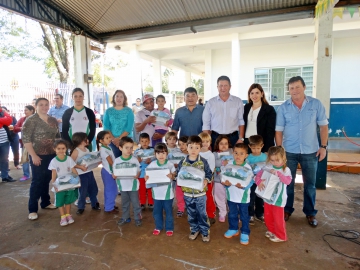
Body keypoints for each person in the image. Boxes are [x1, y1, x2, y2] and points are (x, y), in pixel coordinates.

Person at [275, 76, 329, 227]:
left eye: (297, 87)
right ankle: (287, 209)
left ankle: (310, 213)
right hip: (289, 152)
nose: (294, 90)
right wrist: (279, 150)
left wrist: (323, 147)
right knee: (288, 183)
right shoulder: (283, 107)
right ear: (289, 90)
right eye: (291, 88)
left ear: (304, 87)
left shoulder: (316, 104)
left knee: (310, 184)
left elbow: (323, 126)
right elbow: (278, 131)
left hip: (310, 151)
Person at [23, 98, 60, 220]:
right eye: (41, 105)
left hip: (52, 154)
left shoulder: (53, 120)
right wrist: (33, 155)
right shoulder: (31, 120)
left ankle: (46, 202)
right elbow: (26, 140)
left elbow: (57, 137)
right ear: (36, 106)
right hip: (37, 155)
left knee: (47, 178)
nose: (44, 107)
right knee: (37, 181)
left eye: (46, 105)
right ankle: (32, 209)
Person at [176, 136, 212, 242]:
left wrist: (206, 179)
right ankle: (194, 229)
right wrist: (173, 175)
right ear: (187, 147)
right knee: (191, 213)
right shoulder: (182, 162)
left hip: (200, 194)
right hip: (187, 194)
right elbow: (178, 174)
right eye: (191, 147)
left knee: (202, 213)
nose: (193, 150)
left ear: (200, 148)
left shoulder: (203, 162)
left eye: (197, 147)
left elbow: (209, 173)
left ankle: (205, 231)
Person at [255, 146, 292, 242]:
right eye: (272, 160)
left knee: (278, 218)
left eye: (277, 160)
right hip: (267, 197)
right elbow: (258, 176)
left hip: (278, 199)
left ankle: (281, 236)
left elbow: (288, 182)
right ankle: (271, 230)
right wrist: (259, 182)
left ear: (283, 158)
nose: (274, 162)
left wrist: (279, 174)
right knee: (268, 215)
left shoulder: (286, 170)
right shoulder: (267, 167)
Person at [222, 143, 253, 245]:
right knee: (232, 214)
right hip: (231, 196)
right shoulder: (229, 164)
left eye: (241, 153)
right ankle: (233, 228)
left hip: (243, 198)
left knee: (244, 216)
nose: (238, 156)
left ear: (246, 155)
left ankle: (244, 232)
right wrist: (226, 184)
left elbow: (251, 182)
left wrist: (244, 186)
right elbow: (224, 178)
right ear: (232, 153)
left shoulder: (248, 167)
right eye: (236, 153)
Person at [202, 76, 245, 149]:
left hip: (233, 138)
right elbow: (206, 124)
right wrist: (207, 142)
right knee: (215, 159)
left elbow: (241, 121)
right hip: (215, 138)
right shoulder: (211, 103)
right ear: (217, 87)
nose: (223, 88)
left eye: (225, 85)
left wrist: (241, 138)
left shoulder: (237, 101)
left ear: (230, 87)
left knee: (234, 159)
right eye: (221, 85)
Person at [145, 143, 176, 236]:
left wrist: (172, 175)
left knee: (168, 212)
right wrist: (146, 178)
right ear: (155, 154)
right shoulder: (152, 164)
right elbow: (147, 175)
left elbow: (174, 174)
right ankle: (158, 227)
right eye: (158, 153)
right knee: (157, 212)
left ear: (167, 153)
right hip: (156, 194)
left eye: (163, 153)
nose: (161, 155)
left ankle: (169, 228)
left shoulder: (170, 164)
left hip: (167, 194)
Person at [48, 140, 78, 226]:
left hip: (69, 184)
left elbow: (73, 170)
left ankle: (68, 215)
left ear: (66, 149)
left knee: (68, 201)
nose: (61, 150)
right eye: (58, 148)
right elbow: (53, 173)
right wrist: (54, 184)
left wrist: (78, 180)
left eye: (63, 148)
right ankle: (63, 217)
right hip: (59, 186)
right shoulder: (54, 161)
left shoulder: (69, 159)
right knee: (60, 201)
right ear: (54, 149)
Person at [71, 132, 101, 215]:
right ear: (80, 141)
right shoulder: (76, 151)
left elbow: (89, 160)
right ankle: (81, 207)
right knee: (83, 191)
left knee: (93, 188)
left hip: (89, 173)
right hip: (81, 174)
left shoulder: (87, 149)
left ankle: (94, 204)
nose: (88, 140)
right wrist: (80, 167)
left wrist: (96, 162)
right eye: (86, 139)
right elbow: (70, 163)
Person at [115, 137, 142, 227]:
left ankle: (137, 218)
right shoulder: (117, 161)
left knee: (135, 203)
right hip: (123, 187)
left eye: (131, 147)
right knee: (124, 204)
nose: (129, 150)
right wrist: (114, 175)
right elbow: (114, 172)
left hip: (133, 186)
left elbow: (138, 170)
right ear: (120, 148)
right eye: (126, 147)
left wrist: (137, 174)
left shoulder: (134, 160)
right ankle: (125, 217)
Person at [243, 83, 276, 153]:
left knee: (260, 163)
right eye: (252, 93)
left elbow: (270, 131)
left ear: (262, 94)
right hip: (246, 142)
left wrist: (268, 149)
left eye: (257, 93)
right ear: (249, 95)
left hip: (260, 144)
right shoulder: (246, 107)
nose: (254, 95)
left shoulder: (269, 109)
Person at [103, 90, 134, 158]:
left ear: (124, 99)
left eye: (121, 97)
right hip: (111, 141)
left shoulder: (129, 111)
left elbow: (129, 128)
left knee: (127, 162)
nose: (119, 98)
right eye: (117, 96)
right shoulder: (108, 111)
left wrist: (119, 139)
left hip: (126, 140)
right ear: (114, 98)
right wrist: (114, 140)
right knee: (114, 162)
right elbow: (106, 127)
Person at [246, 135, 267, 225]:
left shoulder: (265, 157)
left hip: (262, 182)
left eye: (258, 148)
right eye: (253, 148)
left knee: (260, 198)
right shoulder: (248, 158)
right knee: (251, 198)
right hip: (252, 182)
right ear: (249, 146)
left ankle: (259, 214)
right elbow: (246, 170)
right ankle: (250, 214)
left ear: (262, 146)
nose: (256, 150)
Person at [97, 130, 119, 214]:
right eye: (107, 138)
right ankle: (109, 208)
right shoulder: (103, 150)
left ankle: (110, 204)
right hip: (108, 172)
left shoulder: (108, 147)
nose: (109, 139)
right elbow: (110, 162)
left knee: (113, 189)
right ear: (101, 141)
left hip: (110, 171)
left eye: (109, 137)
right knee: (110, 190)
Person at [213, 135, 233, 222]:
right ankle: (222, 213)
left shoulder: (232, 153)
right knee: (219, 197)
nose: (224, 146)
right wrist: (222, 162)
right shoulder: (214, 154)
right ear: (217, 144)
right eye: (221, 144)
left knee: (230, 197)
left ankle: (232, 213)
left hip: (230, 181)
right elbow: (213, 162)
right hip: (218, 180)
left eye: (226, 143)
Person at [198, 132, 216, 225]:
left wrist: (205, 178)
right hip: (197, 181)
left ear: (210, 143)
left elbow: (211, 169)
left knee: (208, 197)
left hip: (207, 181)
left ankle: (211, 215)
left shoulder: (210, 155)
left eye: (207, 141)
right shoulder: (196, 153)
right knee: (199, 198)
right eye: (202, 141)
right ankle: (200, 214)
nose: (205, 144)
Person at [14, 105, 35, 181]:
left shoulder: (37, 119)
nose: (24, 112)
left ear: (32, 110)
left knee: (35, 158)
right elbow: (15, 128)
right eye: (24, 110)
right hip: (25, 143)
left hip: (36, 143)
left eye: (26, 110)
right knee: (25, 159)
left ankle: (36, 174)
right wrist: (21, 128)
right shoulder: (22, 119)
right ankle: (26, 175)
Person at [134, 133, 154, 210]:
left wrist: (151, 160)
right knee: (141, 189)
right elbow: (133, 162)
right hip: (141, 174)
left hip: (151, 174)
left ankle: (151, 203)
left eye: (146, 141)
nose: (144, 143)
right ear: (139, 142)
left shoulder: (153, 150)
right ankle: (142, 203)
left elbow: (157, 160)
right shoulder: (136, 152)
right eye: (142, 141)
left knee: (150, 189)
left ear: (149, 141)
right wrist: (137, 160)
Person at [0, 105, 15, 182]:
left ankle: (5, 176)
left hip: (5, 141)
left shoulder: (2, 112)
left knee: (5, 160)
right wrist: (3, 120)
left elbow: (9, 120)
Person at [175, 136, 188, 218]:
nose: (181, 146)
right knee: (179, 194)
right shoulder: (177, 155)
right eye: (179, 144)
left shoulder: (192, 155)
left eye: (183, 144)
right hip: (179, 179)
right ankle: (180, 208)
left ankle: (189, 208)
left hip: (189, 180)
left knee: (189, 194)